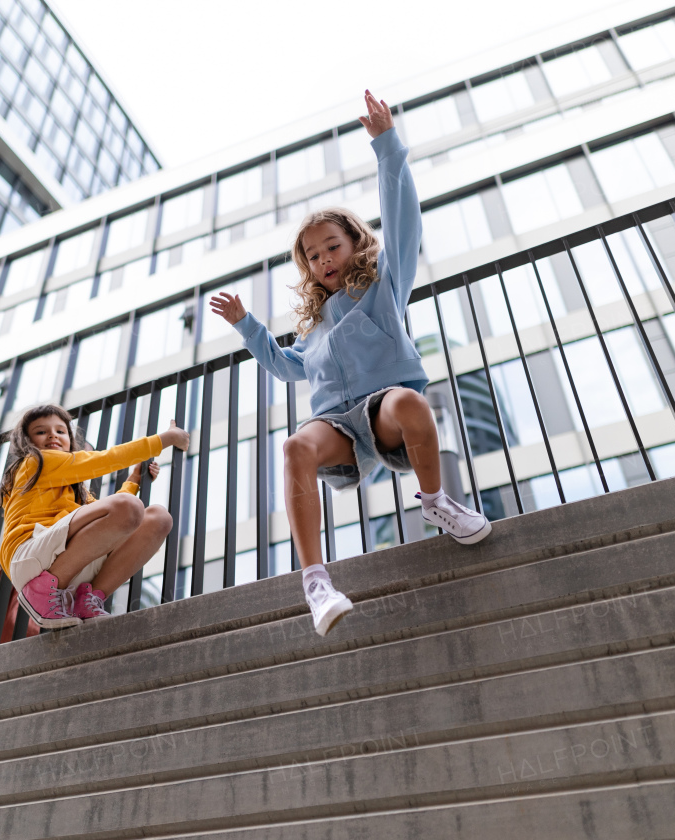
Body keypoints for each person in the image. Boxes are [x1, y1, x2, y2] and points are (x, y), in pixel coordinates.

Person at [210, 90, 491, 637]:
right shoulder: (314, 329)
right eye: (313, 256)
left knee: (410, 401)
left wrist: (386, 147)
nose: (323, 260)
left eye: (332, 247)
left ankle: (435, 502)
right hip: (335, 426)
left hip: (383, 411)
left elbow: (404, 220)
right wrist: (249, 325)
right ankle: (316, 582)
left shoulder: (383, 288)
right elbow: (287, 366)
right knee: (294, 445)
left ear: (354, 243)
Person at [0, 403, 189, 629]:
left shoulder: (74, 491)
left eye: (60, 431)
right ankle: (38, 591)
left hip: (67, 563)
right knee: (128, 506)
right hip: (31, 557)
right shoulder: (35, 462)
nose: (52, 435)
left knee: (159, 518)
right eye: (41, 431)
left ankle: (89, 599)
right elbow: (106, 460)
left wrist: (134, 480)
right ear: (28, 442)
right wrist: (165, 439)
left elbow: (120, 515)